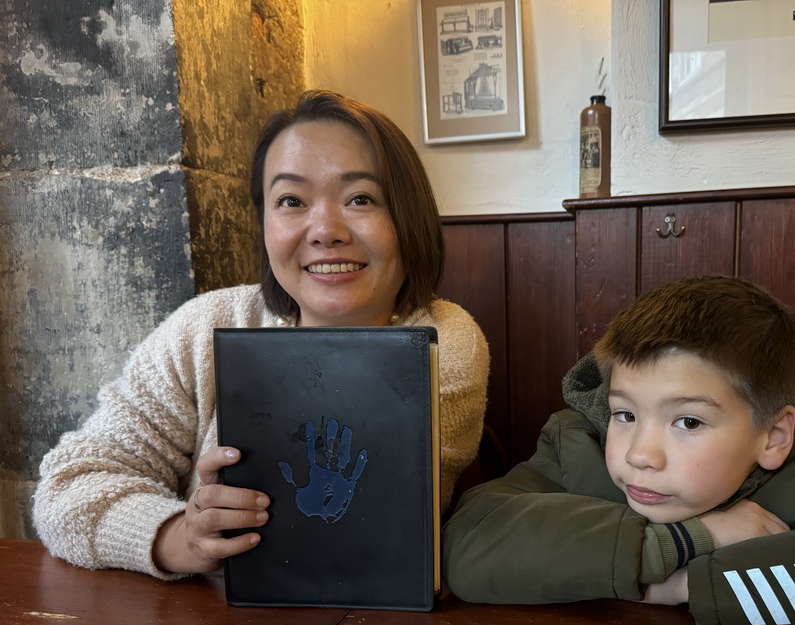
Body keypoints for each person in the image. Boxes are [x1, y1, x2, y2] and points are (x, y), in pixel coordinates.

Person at [34, 90, 489, 579]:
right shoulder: (204, 328)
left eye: (360, 198)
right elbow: (67, 489)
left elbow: (364, 527)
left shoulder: (444, 341)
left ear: (408, 217)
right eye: (291, 200)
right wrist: (177, 537)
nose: (324, 230)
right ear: (265, 223)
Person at [442, 275, 795, 625]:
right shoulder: (576, 444)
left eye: (688, 422)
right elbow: (464, 545)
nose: (638, 455)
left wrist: (683, 585)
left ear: (773, 435)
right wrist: (690, 539)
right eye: (625, 413)